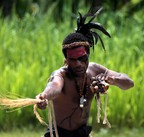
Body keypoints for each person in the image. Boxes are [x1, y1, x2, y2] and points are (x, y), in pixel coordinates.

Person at [35, 8, 134, 137]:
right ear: (66, 60)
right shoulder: (61, 75)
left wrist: (113, 80)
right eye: (73, 60)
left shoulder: (95, 70)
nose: (78, 64)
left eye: (82, 58)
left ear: (88, 54)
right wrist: (44, 96)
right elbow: (55, 86)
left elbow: (129, 83)